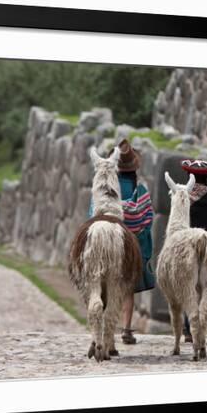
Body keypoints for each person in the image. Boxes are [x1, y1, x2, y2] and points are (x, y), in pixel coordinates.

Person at [88, 139, 155, 345]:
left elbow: (93, 213)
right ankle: (126, 329)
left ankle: (100, 332)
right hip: (130, 243)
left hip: (103, 236)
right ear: (134, 167)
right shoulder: (140, 190)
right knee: (127, 289)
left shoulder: (106, 188)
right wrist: (140, 245)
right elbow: (147, 219)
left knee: (100, 282)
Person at [179, 158, 207, 343]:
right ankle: (199, 326)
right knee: (204, 287)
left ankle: (188, 328)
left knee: (188, 285)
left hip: (188, 247)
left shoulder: (185, 199)